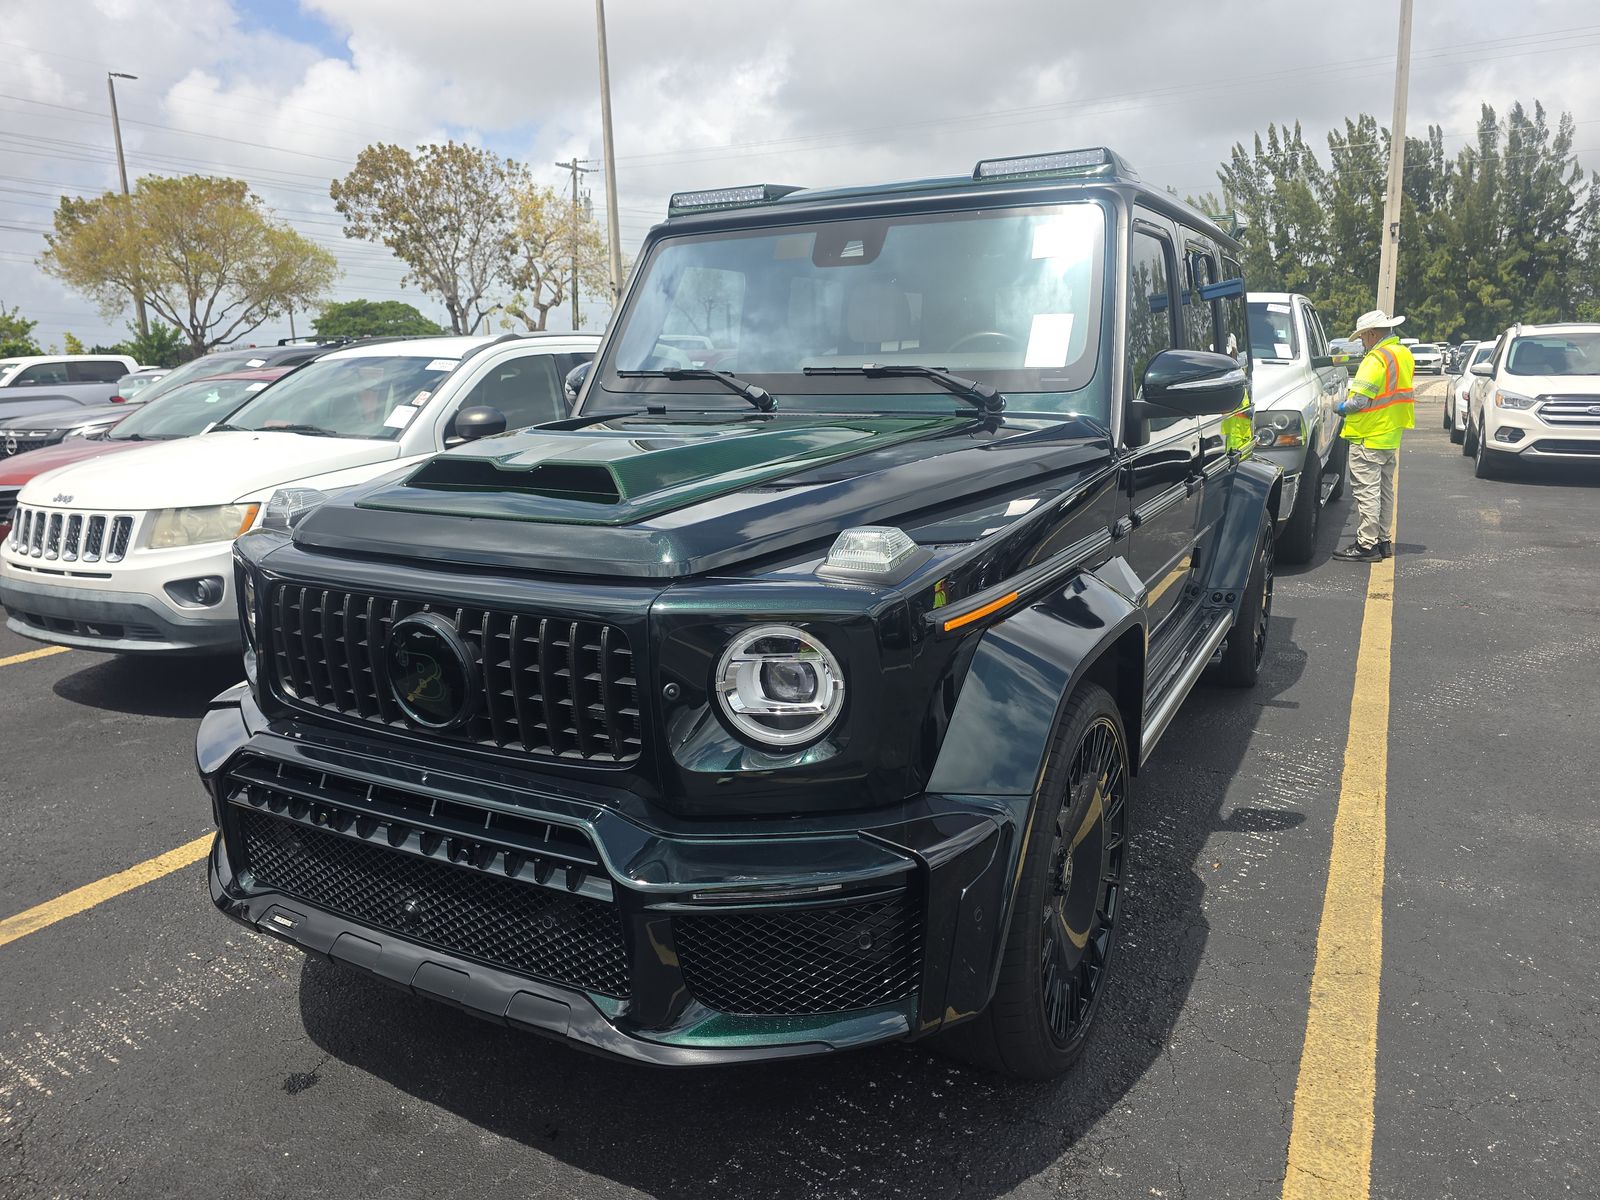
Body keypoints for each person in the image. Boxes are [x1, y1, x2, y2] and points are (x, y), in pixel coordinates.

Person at [1332, 309, 1415, 562]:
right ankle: (1382, 540)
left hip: (1368, 434)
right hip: (1390, 433)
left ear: (1371, 333)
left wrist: (1339, 407)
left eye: (1362, 338)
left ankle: (1366, 545)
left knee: (1367, 492)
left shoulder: (1375, 359)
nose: (1361, 342)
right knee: (1385, 490)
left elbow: (1358, 401)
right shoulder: (1403, 354)